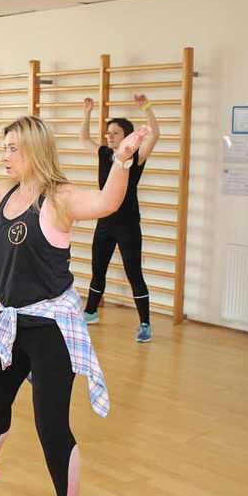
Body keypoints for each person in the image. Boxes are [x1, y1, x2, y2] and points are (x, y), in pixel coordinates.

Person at [0, 115, 147, 496]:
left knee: (51, 425)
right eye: (4, 147)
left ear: (35, 151)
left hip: (50, 329)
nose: (4, 155)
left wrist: (122, 161)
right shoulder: (9, 194)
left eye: (12, 149)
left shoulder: (59, 198)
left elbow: (107, 202)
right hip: (9, 320)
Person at [78, 94, 160, 343]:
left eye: (115, 133)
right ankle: (90, 312)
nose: (109, 136)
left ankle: (145, 324)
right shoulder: (104, 154)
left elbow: (155, 134)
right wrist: (87, 113)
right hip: (105, 221)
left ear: (126, 136)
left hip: (128, 224)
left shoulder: (136, 157)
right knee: (98, 271)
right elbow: (84, 139)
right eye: (108, 133)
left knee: (134, 273)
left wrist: (147, 107)